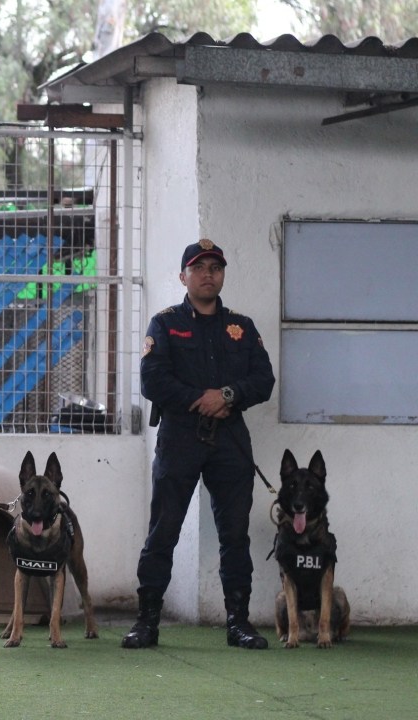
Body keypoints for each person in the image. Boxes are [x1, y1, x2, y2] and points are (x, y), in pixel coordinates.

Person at [123, 239, 276, 650]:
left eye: (215, 267)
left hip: (229, 442)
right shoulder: (165, 323)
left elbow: (263, 381)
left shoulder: (241, 327)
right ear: (183, 276)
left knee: (234, 534)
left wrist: (226, 396)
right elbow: (152, 380)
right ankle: (147, 621)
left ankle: (238, 622)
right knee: (163, 531)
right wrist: (201, 400)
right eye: (199, 267)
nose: (208, 273)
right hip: (180, 438)